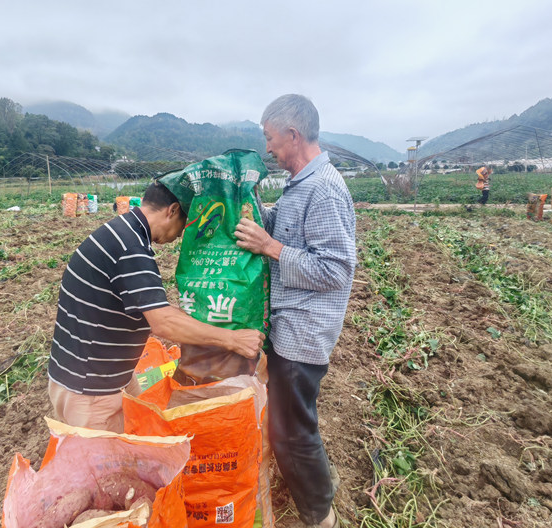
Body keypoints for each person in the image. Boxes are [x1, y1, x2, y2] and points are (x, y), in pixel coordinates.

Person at [47, 180, 265, 432]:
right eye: (183, 225)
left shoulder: (121, 232)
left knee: (141, 434)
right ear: (172, 210)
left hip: (103, 374)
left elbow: (151, 306)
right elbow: (163, 322)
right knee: (104, 468)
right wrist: (232, 339)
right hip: (92, 389)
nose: (179, 235)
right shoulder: (131, 249)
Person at [234, 94, 356, 528]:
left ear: (292, 134)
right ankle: (317, 486)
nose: (268, 148)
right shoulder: (301, 184)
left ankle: (321, 516)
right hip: (290, 325)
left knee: (291, 432)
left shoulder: (323, 189)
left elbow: (336, 269)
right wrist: (250, 209)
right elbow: (290, 231)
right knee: (294, 420)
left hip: (304, 332)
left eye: (270, 138)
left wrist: (269, 247)